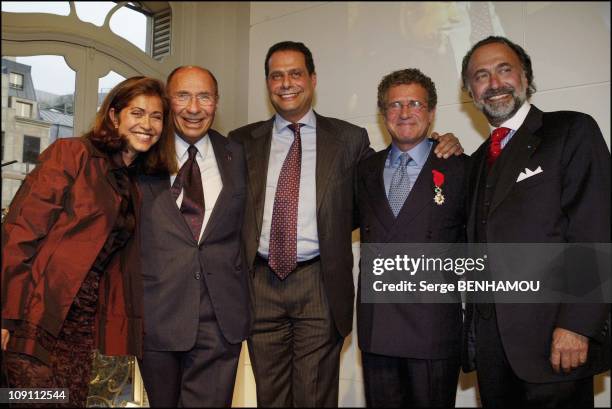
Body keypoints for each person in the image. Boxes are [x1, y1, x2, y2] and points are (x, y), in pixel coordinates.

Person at [227, 41, 463, 407]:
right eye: (277, 75)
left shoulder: (350, 140)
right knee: (268, 394)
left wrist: (443, 142)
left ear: (313, 79)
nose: (286, 82)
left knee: (314, 394)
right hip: (259, 284)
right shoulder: (241, 141)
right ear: (267, 83)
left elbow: (391, 183)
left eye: (295, 73)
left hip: (318, 283)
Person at [1, 76, 173, 407]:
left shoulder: (130, 184)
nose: (147, 124)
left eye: (156, 116)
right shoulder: (71, 154)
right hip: (35, 317)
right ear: (114, 116)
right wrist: (5, 316)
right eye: (137, 113)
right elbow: (20, 232)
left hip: (80, 328)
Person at [460, 36, 610, 407]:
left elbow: (595, 230)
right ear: (470, 91)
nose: (494, 83)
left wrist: (577, 324)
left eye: (504, 69)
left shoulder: (571, 131)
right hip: (494, 355)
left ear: (525, 76)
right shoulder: (478, 159)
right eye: (481, 75)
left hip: (555, 344)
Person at [137, 66, 251, 407]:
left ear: (216, 102)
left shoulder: (239, 155)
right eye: (183, 96)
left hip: (220, 320)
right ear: (168, 101)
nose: (193, 107)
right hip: (157, 316)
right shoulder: (143, 156)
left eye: (204, 96)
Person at [356, 68, 467, 407]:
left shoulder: (462, 168)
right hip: (378, 330)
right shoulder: (363, 171)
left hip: (432, 331)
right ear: (383, 114)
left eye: (415, 103)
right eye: (394, 105)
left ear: (431, 112)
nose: (404, 113)